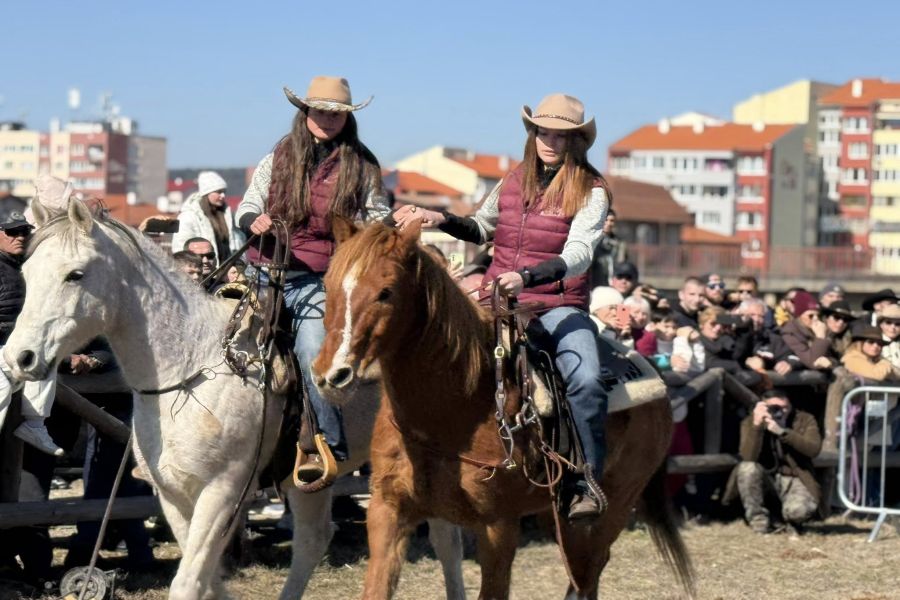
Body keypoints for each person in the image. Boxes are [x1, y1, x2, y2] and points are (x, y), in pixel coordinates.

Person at [394, 93, 610, 520]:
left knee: (584, 380)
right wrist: (440, 218)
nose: (549, 140)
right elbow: (481, 227)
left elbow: (581, 253)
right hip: (497, 302)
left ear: (576, 141)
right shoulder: (513, 180)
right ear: (532, 134)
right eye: (542, 131)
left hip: (556, 306)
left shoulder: (593, 190)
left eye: (560, 135)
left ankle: (584, 479)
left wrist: (527, 278)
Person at [236, 76, 389, 480]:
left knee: (312, 350)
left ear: (347, 118)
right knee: (220, 339)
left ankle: (327, 444)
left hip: (315, 279)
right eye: (320, 110)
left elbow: (378, 221)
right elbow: (249, 202)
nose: (327, 119)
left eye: (336, 113)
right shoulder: (279, 155)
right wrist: (255, 220)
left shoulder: (363, 166)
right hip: (261, 268)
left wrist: (358, 241)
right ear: (305, 112)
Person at [724, 389, 822, 534]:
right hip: (767, 479)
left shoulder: (804, 419)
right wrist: (757, 426)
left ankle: (789, 522)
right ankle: (759, 523)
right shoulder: (751, 421)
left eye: (785, 408)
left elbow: (813, 449)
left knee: (797, 512)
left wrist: (783, 432)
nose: (781, 412)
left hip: (796, 478)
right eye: (775, 408)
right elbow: (748, 456)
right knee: (747, 468)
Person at [171, 170, 244, 265]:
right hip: (202, 272)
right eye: (218, 192)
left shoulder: (227, 216)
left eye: (224, 192)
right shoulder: (188, 216)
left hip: (227, 272)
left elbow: (238, 243)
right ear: (207, 193)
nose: (223, 196)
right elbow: (180, 248)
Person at [780, 291, 837, 371]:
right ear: (800, 316)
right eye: (811, 316)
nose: (815, 319)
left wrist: (830, 362)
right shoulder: (790, 332)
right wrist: (820, 338)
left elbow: (836, 357)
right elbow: (812, 362)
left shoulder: (822, 328)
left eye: (818, 315)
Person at [589, 207, 626, 287]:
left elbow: (622, 263)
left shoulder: (619, 244)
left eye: (612, 221)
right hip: (594, 283)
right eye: (606, 220)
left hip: (613, 284)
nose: (609, 223)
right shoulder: (592, 240)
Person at [877, 304, 900, 369]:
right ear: (881, 324)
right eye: (888, 322)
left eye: (897, 324)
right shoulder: (873, 343)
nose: (893, 327)